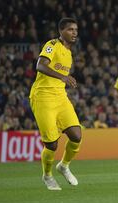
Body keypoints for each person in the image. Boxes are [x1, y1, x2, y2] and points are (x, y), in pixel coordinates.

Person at [29, 18, 82, 190]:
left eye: (75, 29)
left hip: (60, 97)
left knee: (76, 135)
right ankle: (47, 175)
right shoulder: (52, 44)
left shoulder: (69, 52)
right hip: (43, 97)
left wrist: (63, 80)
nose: (74, 32)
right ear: (61, 31)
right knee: (52, 144)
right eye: (70, 29)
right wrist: (63, 77)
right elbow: (40, 65)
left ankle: (64, 165)